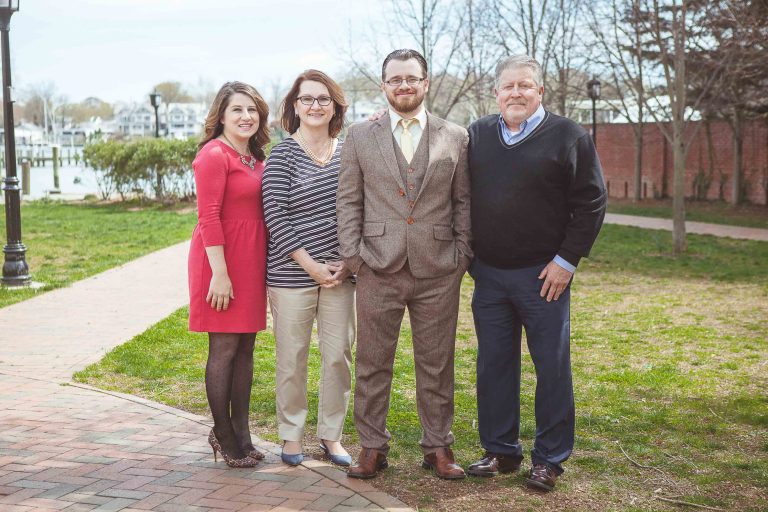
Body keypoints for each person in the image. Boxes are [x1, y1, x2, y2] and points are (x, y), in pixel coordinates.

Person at [466, 55, 607, 491]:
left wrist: (566, 261)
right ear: (495, 93)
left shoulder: (568, 136)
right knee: (493, 367)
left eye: (525, 86)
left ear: (540, 91)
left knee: (551, 368)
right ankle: (500, 450)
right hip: (489, 276)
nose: (516, 93)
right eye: (508, 87)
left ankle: (549, 458)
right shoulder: (478, 135)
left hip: (543, 276)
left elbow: (592, 201)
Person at [337, 49, 472, 480]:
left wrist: (461, 255)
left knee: (437, 363)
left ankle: (438, 448)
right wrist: (355, 256)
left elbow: (463, 201)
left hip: (438, 269)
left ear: (426, 83)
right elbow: (349, 200)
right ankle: (372, 448)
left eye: (412, 78)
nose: (404, 86)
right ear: (383, 85)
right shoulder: (360, 136)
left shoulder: (456, 136)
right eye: (395, 79)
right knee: (373, 362)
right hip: (377, 266)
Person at [262, 69, 355, 467]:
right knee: (292, 356)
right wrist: (310, 265)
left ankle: (332, 436)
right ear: (294, 107)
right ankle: (291, 435)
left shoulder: (349, 152)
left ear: (334, 105)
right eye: (306, 99)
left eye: (322, 99)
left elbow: (360, 209)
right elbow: (275, 215)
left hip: (341, 276)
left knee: (338, 356)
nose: (315, 106)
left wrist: (349, 262)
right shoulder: (283, 153)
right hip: (291, 274)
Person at [188, 81, 270, 468]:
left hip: (251, 261)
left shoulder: (255, 158)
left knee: (246, 349)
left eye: (252, 110)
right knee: (223, 348)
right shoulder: (213, 155)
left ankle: (242, 433)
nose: (246, 116)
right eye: (237, 109)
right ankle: (223, 434)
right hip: (220, 261)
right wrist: (220, 274)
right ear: (221, 114)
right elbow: (208, 217)